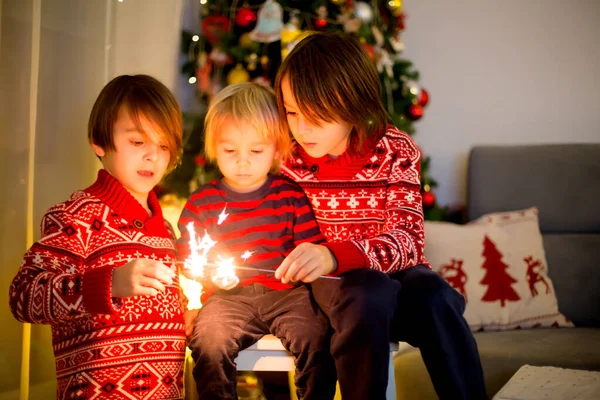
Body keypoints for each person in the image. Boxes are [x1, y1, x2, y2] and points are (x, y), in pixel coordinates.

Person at [273, 32, 488, 400]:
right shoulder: (288, 162)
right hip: (336, 290)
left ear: (352, 103)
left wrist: (335, 251)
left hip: (398, 278)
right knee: (366, 291)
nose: (301, 128)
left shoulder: (394, 149)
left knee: (436, 297)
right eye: (292, 112)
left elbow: (407, 240)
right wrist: (326, 260)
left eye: (316, 115)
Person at [8, 75, 186, 400]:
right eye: (137, 142)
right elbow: (23, 297)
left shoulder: (167, 231)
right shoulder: (76, 218)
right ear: (99, 142)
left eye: (163, 145)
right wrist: (107, 284)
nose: (152, 156)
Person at [178, 82, 337, 400]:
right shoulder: (203, 203)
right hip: (227, 300)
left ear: (276, 150)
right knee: (208, 341)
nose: (243, 162)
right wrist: (202, 281)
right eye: (230, 151)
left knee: (316, 338)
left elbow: (311, 250)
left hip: (287, 296)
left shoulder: (289, 196)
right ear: (213, 148)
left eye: (256, 150)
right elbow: (187, 257)